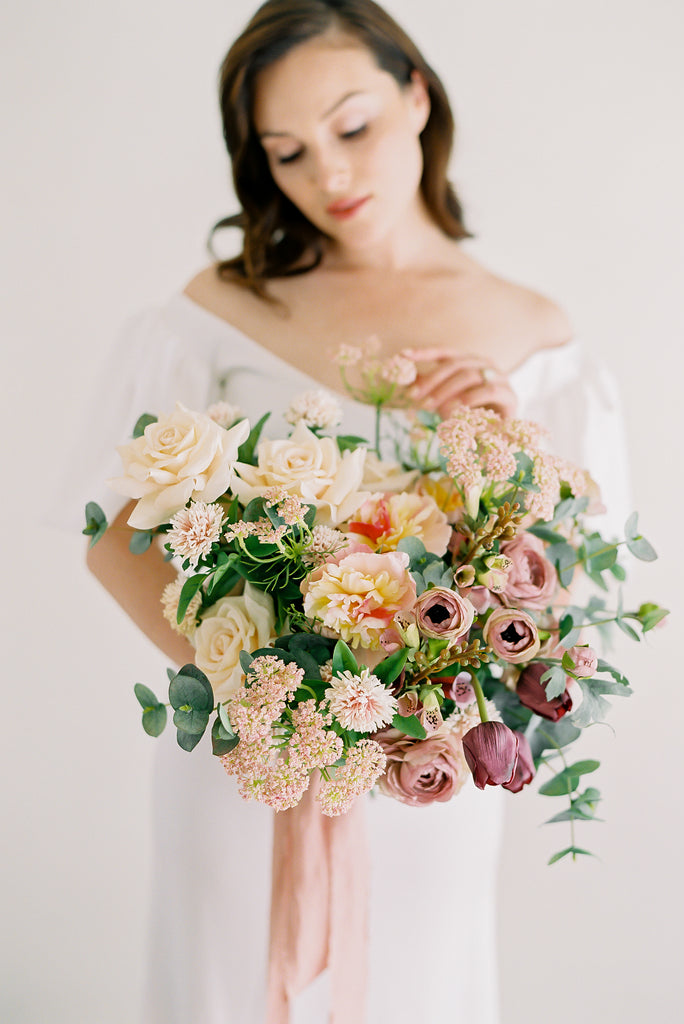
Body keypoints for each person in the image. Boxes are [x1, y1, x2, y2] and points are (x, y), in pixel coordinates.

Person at [85, 2, 630, 1022]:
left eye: (352, 128)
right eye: (285, 153)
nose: (328, 177)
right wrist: (270, 698)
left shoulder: (534, 332)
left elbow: (574, 591)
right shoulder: (219, 307)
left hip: (428, 765)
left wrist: (506, 449)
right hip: (246, 759)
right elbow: (112, 535)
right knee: (222, 983)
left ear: (417, 94)